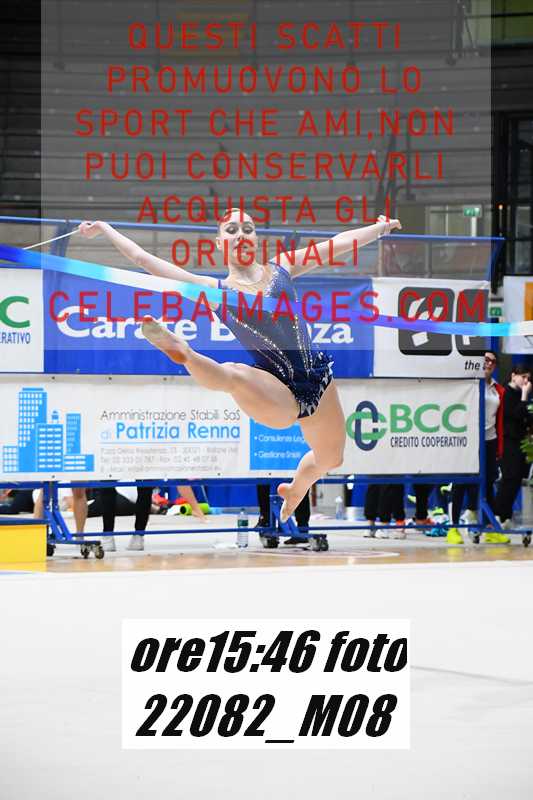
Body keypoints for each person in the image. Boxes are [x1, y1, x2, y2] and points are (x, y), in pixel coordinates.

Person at [79, 211, 401, 525]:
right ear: (220, 243)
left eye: (247, 228)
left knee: (331, 458)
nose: (241, 234)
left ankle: (297, 487)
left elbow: (337, 244)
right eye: (231, 230)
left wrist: (379, 229)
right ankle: (185, 353)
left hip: (317, 380)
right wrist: (105, 227)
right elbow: (144, 260)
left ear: (256, 238)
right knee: (234, 375)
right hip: (273, 391)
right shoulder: (215, 291)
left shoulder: (283, 267)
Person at [448, 350, 506, 544]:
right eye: (486, 359)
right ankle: (453, 528)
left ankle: (489, 528)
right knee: (461, 483)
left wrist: (498, 448)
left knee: (488, 485)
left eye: (493, 362)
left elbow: (499, 420)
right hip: (468, 440)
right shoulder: (468, 385)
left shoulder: (498, 390)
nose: (489, 363)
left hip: (489, 441)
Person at [493, 363, 532, 531]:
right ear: (513, 376)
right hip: (508, 441)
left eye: (528, 378)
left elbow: (526, 417)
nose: (526, 381)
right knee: (510, 477)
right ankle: (497, 514)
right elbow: (516, 415)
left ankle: (506, 515)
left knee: (516, 479)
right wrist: (524, 396)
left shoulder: (521, 394)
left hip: (521, 440)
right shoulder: (506, 393)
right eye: (523, 377)